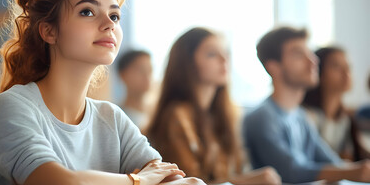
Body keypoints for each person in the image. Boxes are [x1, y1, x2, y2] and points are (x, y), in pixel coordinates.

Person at [0, 0, 205, 185]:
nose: (109, 24)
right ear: (49, 31)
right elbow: (57, 182)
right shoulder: (9, 107)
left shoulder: (112, 118)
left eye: (114, 16)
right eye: (87, 12)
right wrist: (136, 181)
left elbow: (175, 179)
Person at [147, 27, 281, 185]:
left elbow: (237, 170)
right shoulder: (177, 115)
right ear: (187, 63)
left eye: (225, 53)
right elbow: (189, 182)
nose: (224, 59)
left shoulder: (226, 113)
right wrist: (248, 181)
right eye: (212, 54)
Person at [243, 26, 370, 183]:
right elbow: (291, 171)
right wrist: (352, 172)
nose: (312, 60)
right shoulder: (261, 117)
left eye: (309, 53)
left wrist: (356, 170)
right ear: (273, 66)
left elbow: (331, 161)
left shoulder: (300, 116)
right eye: (298, 54)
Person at [303, 47, 370, 160]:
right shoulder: (306, 116)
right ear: (318, 70)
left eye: (348, 67)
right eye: (336, 66)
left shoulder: (345, 120)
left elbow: (350, 156)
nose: (346, 73)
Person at [117, 50, 154, 130]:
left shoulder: (157, 115)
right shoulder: (115, 116)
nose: (147, 77)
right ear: (123, 74)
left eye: (150, 71)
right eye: (141, 71)